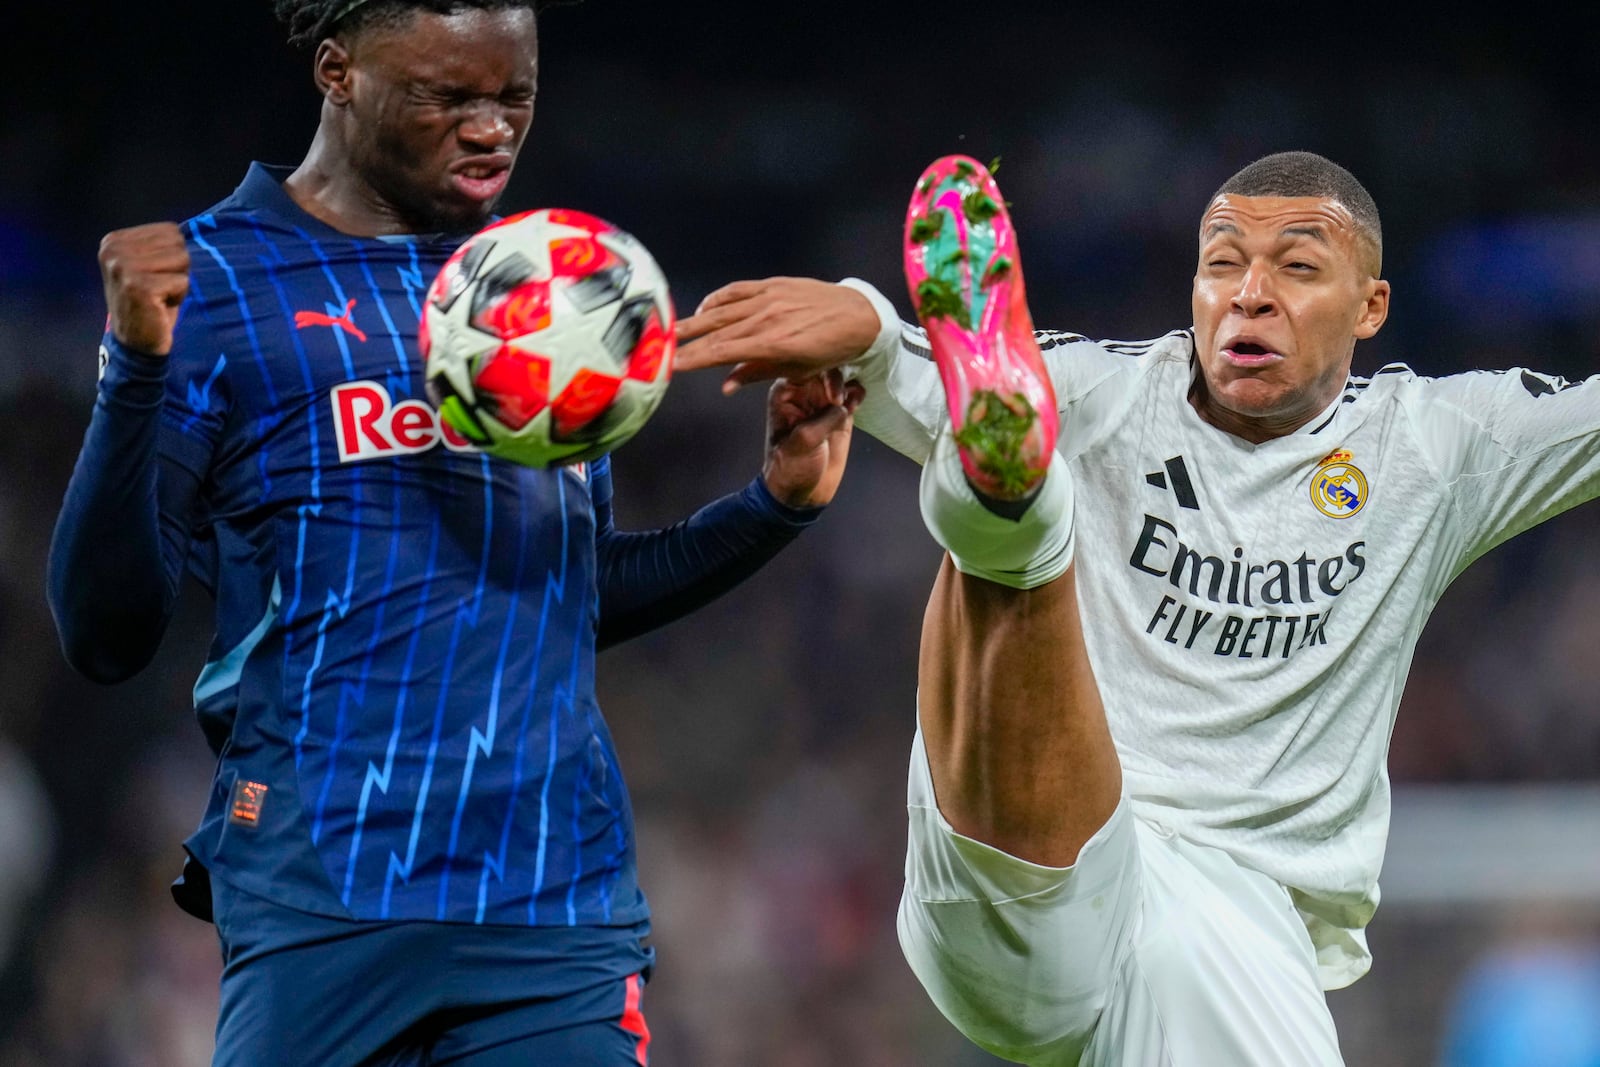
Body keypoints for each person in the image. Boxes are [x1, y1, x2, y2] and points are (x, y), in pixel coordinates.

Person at [46, 2, 862, 1064]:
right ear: (338, 73)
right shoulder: (213, 284)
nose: (490, 128)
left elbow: (566, 595)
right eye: (449, 96)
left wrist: (772, 507)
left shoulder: (549, 288)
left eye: (512, 96)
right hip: (323, 903)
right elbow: (106, 631)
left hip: (553, 909)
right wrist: (137, 373)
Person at [674, 149, 1600, 1064]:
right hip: (1043, 874)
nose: (1250, 294)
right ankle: (1007, 487)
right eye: (1223, 263)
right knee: (1020, 476)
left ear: (1371, 307)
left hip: (1239, 924)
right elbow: (899, 364)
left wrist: (874, 336)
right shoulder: (1102, 394)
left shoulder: (1433, 446)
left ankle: (1007, 489)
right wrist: (869, 325)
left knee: (1018, 469)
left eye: (1299, 267)